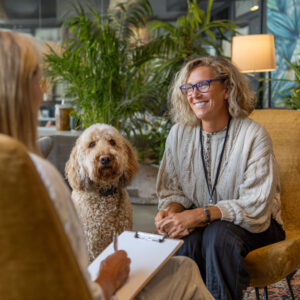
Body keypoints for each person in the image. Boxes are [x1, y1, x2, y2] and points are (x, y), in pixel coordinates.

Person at [0, 30, 214, 300]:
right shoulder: (35, 175)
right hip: (94, 290)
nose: (42, 93)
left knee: (184, 265)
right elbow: (76, 281)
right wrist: (107, 279)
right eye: (37, 80)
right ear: (20, 91)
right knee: (185, 271)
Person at [155, 56, 285, 300]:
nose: (194, 94)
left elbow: (255, 207)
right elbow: (174, 191)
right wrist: (171, 212)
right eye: (188, 88)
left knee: (219, 236)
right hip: (210, 222)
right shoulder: (179, 134)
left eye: (203, 85)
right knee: (188, 240)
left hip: (259, 223)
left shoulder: (254, 136)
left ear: (227, 88)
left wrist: (198, 214)